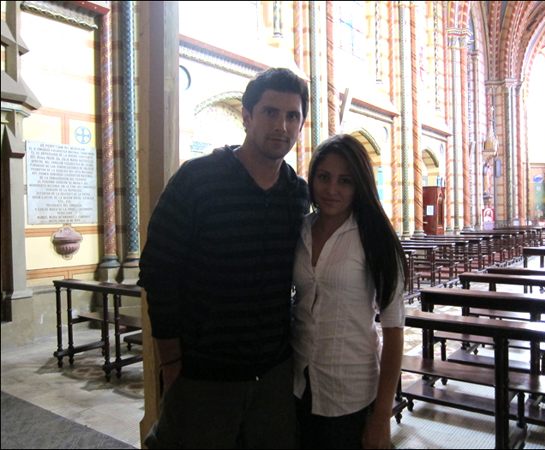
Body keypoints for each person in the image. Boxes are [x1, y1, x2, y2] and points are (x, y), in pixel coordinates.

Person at [138, 67, 310, 449]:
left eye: (292, 115)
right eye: (270, 112)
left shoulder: (297, 193)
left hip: (274, 375)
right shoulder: (196, 180)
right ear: (246, 116)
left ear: (301, 124)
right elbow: (158, 271)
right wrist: (172, 364)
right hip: (204, 375)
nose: (281, 125)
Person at [292, 134, 408, 449]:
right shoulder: (300, 230)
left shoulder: (376, 239)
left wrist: (382, 415)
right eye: (323, 177)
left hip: (351, 393)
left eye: (345, 180)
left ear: (359, 186)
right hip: (299, 387)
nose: (331, 189)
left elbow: (394, 331)